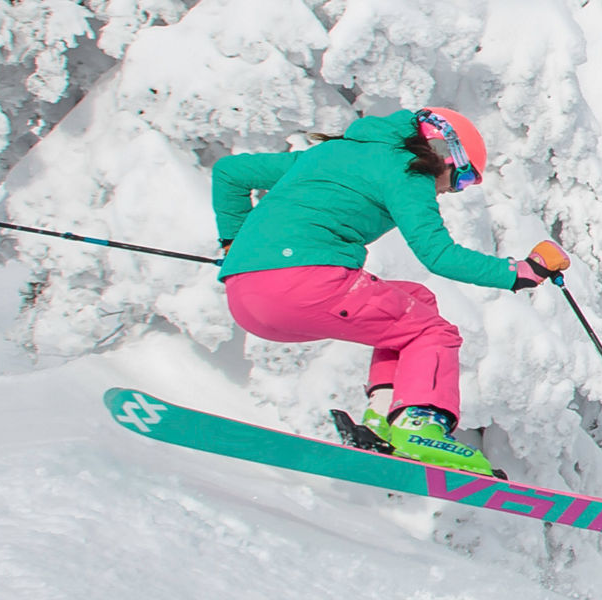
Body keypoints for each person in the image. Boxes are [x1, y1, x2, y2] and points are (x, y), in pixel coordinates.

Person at [208, 107, 566, 477]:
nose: (450, 191)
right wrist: (520, 272)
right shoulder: (407, 171)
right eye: (460, 180)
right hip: (307, 285)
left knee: (416, 301)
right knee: (433, 333)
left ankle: (384, 417)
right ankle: (419, 426)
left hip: (246, 293)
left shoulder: (324, 154)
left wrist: (235, 246)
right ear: (444, 153)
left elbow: (230, 174)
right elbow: (439, 255)